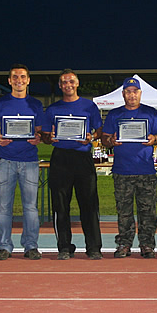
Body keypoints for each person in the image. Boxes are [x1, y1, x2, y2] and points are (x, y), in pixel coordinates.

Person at [0, 64, 43, 261]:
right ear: (9, 81)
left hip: (29, 160)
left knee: (31, 207)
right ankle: (4, 246)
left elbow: (41, 131)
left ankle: (31, 245)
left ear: (28, 80)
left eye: (23, 77)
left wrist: (39, 138)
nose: (19, 80)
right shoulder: (0, 104)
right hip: (6, 160)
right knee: (4, 207)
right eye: (15, 77)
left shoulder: (35, 104)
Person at [43, 69, 103, 260]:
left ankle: (93, 247)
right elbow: (45, 135)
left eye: (71, 81)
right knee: (60, 206)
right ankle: (64, 247)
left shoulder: (89, 106)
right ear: (60, 86)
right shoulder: (52, 109)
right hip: (60, 158)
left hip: (83, 158)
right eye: (64, 82)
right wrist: (48, 137)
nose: (68, 85)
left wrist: (92, 137)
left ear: (77, 83)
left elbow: (99, 130)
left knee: (89, 205)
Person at [101, 77, 157, 258]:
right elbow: (105, 139)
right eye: (128, 91)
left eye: (135, 91)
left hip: (146, 170)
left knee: (148, 211)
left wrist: (155, 139)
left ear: (140, 93)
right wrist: (111, 141)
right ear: (123, 94)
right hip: (122, 171)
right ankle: (124, 244)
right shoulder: (114, 114)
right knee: (124, 212)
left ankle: (147, 244)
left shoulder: (150, 113)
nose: (132, 95)